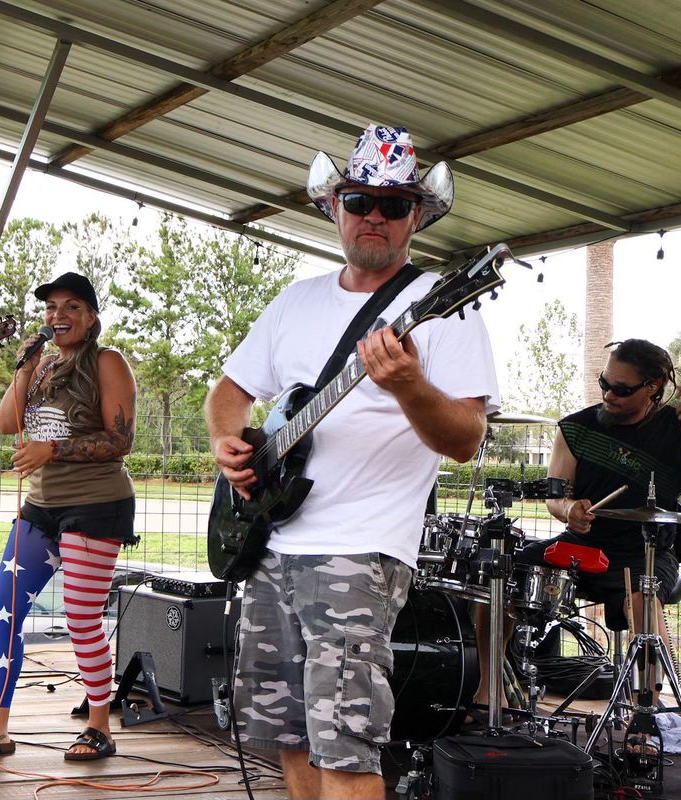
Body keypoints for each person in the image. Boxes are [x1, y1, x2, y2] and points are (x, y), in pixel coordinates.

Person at [205, 124, 499, 800]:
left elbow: (465, 438)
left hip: (360, 551)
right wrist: (228, 443)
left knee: (346, 747)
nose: (375, 216)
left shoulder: (444, 313)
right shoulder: (295, 301)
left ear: (415, 217)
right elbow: (229, 392)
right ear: (334, 207)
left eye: (394, 206)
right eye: (361, 200)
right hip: (272, 542)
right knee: (291, 740)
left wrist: (410, 387)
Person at [473, 339, 681, 713]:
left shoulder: (676, 430)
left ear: (653, 386)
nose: (608, 394)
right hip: (582, 546)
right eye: (604, 383)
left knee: (644, 595)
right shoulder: (576, 429)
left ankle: (644, 715)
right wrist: (569, 508)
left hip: (645, 550)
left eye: (621, 390)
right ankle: (488, 688)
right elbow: (556, 497)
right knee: (500, 573)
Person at [0, 271, 138, 761]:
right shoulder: (44, 367)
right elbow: (8, 423)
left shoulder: (107, 361)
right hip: (40, 507)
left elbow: (120, 441)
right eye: (52, 307)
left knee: (80, 617)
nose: (59, 315)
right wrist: (24, 369)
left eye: (72, 306)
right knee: (3, 612)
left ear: (91, 316)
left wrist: (52, 448)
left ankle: (99, 726)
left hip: (95, 506)